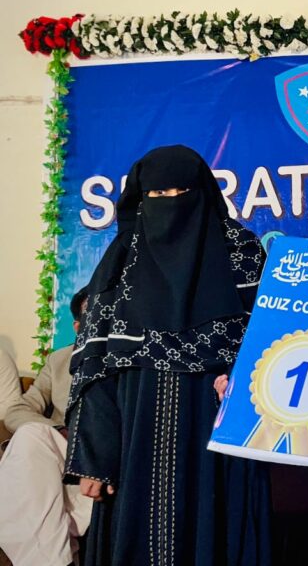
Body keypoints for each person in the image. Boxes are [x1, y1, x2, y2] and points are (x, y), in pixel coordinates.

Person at [63, 145, 272, 566]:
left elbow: (271, 343)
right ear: (141, 200)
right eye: (157, 195)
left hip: (217, 425)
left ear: (203, 194)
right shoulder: (122, 261)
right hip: (134, 430)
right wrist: (95, 459)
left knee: (217, 531)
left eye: (182, 192)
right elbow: (95, 367)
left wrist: (243, 379)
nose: (170, 204)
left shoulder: (243, 255)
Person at [0, 289, 92, 566]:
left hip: (99, 453)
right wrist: (56, 430)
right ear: (77, 326)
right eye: (93, 313)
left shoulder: (130, 361)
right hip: (61, 448)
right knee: (32, 435)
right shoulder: (59, 360)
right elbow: (18, 410)